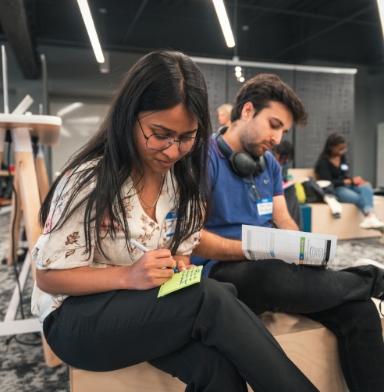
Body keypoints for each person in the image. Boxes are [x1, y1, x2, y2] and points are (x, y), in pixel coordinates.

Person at [30, 51, 316, 392]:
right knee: (209, 298)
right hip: (74, 320)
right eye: (160, 134)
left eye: (186, 137)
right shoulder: (89, 181)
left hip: (142, 311)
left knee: (217, 366)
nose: (172, 150)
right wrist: (127, 275)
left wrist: (176, 267)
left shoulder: (183, 185)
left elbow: (180, 253)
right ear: (129, 117)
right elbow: (47, 277)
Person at [192, 73, 384, 392]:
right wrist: (252, 250)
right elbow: (193, 237)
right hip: (221, 271)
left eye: (283, 130)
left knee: (360, 311)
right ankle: (373, 279)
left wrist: (302, 249)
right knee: (267, 273)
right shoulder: (201, 158)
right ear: (248, 111)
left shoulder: (268, 163)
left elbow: (284, 220)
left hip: (270, 264)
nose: (278, 138)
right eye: (274, 124)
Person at [315, 132, 384, 231]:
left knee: (367, 187)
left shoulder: (342, 157)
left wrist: (357, 182)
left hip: (348, 185)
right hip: (335, 189)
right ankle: (374, 219)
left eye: (344, 149)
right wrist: (350, 181)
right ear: (331, 147)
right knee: (359, 198)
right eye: (340, 149)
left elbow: (345, 174)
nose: (342, 152)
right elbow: (329, 182)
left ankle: (371, 217)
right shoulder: (324, 162)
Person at [272, 140, 302, 229]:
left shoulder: (285, 164)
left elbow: (284, 178)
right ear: (275, 152)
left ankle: (296, 227)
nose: (282, 160)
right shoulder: (268, 160)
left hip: (282, 189)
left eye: (285, 158)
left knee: (292, 193)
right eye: (281, 157)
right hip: (270, 189)